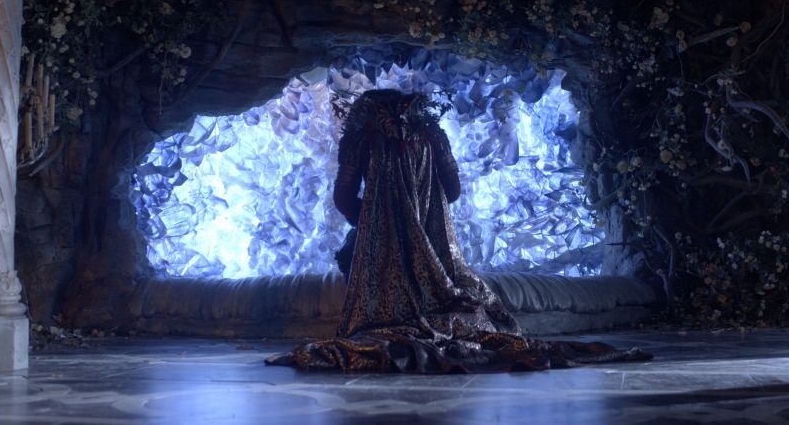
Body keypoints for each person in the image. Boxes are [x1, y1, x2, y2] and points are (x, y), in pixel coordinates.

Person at [266, 89, 650, 372]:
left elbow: (343, 196)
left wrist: (374, 223)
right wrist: (421, 208)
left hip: (376, 258)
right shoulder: (432, 133)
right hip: (435, 246)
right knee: (465, 297)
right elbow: (452, 190)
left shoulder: (361, 137)